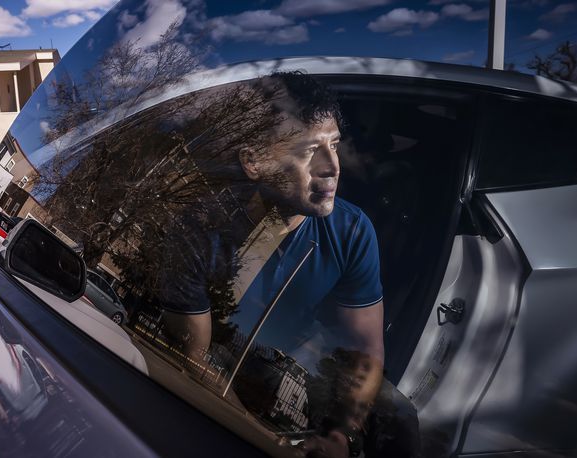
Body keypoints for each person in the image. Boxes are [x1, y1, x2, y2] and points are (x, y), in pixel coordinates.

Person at [157, 72, 407, 457]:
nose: (332, 166)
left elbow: (365, 349)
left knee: (400, 419)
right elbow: (194, 358)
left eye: (335, 145)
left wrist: (343, 434)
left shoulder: (352, 231)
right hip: (214, 373)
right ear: (253, 162)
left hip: (290, 361)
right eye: (309, 150)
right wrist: (269, 442)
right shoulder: (199, 229)